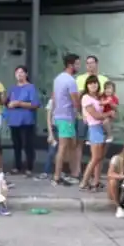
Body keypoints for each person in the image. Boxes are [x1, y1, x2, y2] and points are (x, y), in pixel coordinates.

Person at [51, 54, 81, 186]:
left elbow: (54, 97)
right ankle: (57, 176)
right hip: (67, 117)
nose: (79, 66)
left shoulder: (58, 78)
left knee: (71, 145)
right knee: (63, 147)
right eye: (77, 64)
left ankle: (72, 173)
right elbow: (75, 101)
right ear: (71, 65)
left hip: (59, 115)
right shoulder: (70, 81)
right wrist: (81, 111)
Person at [6, 66, 39, 176]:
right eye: (17, 73)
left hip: (27, 121)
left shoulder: (31, 87)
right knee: (16, 145)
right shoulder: (12, 88)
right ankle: (17, 166)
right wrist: (8, 104)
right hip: (14, 120)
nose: (19, 75)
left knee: (28, 145)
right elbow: (7, 101)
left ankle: (29, 167)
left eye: (21, 72)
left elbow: (35, 104)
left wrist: (19, 103)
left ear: (26, 74)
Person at [79, 75, 107, 191]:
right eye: (90, 83)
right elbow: (95, 115)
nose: (93, 85)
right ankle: (84, 182)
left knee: (100, 158)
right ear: (87, 85)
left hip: (101, 128)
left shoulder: (99, 97)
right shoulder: (86, 98)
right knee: (95, 158)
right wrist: (108, 115)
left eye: (95, 83)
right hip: (94, 128)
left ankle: (96, 181)